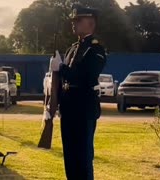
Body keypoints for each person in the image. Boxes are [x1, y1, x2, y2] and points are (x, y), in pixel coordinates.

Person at [49, 5, 106, 180]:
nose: (74, 24)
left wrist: (61, 67)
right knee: (70, 156)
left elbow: (85, 76)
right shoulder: (72, 48)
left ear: (91, 23)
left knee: (83, 157)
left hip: (84, 109)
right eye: (73, 21)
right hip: (68, 108)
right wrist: (53, 102)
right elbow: (63, 80)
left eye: (78, 20)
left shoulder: (95, 49)